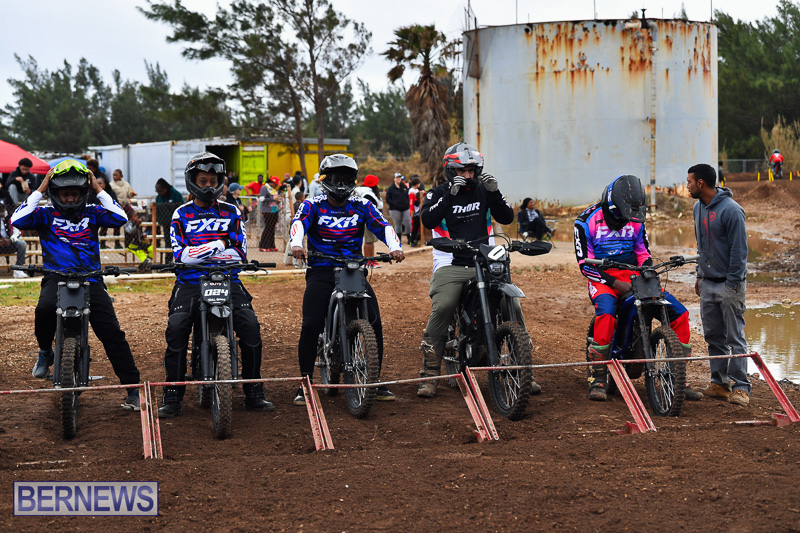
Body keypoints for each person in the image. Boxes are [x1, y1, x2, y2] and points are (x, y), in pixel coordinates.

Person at [10, 160, 141, 410]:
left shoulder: (92, 212)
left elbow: (120, 217)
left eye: (75, 194)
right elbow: (18, 219)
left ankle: (132, 388)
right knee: (43, 310)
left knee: (112, 333)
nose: (70, 199)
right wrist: (42, 188)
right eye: (64, 194)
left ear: (83, 193)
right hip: (56, 276)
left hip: (90, 277)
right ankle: (45, 351)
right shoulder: (44, 214)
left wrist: (97, 187)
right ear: (55, 193)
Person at [157, 152, 274, 418]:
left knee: (251, 329)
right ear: (192, 181)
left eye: (213, 180)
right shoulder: (181, 214)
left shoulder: (232, 211)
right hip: (189, 281)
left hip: (229, 278)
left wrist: (204, 250)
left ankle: (254, 391)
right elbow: (181, 256)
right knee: (176, 331)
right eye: (203, 179)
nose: (209, 185)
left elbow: (240, 253)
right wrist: (221, 244)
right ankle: (172, 395)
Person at [416, 142, 536, 398]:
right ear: (451, 170)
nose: (468, 176)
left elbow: (506, 218)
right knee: (445, 305)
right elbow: (427, 220)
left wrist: (495, 192)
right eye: (463, 171)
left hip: (485, 260)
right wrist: (450, 195)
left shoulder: (484, 191)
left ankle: (524, 369)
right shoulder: (437, 193)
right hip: (451, 261)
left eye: (473, 171)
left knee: (511, 304)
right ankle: (429, 374)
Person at [290, 154, 404, 406]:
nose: (341, 185)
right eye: (336, 179)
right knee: (311, 324)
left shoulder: (362, 204)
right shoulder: (313, 204)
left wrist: (395, 246)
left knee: (374, 322)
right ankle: (305, 383)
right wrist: (297, 244)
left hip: (353, 270)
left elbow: (382, 226)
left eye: (346, 179)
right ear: (326, 180)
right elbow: (299, 223)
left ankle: (373, 379)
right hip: (321, 268)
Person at [574, 175, 698, 401]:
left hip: (634, 275)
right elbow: (584, 265)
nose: (625, 221)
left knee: (680, 313)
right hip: (603, 277)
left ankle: (678, 375)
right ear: (612, 207)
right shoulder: (585, 222)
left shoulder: (636, 218)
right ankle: (598, 377)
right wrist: (613, 283)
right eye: (621, 216)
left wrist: (647, 270)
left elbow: (643, 252)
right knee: (607, 312)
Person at [686, 163, 751, 406]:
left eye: (690, 182)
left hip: (729, 285)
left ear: (701, 183)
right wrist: (699, 276)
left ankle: (742, 388)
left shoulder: (732, 211)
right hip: (708, 284)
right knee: (714, 336)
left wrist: (733, 285)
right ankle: (720, 384)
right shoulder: (697, 208)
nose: (687, 186)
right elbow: (700, 246)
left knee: (735, 337)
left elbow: (739, 252)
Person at [354, 174, 383, 267]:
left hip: (369, 219)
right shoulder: (368, 194)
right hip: (367, 220)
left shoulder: (367, 192)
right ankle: (367, 261)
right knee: (369, 241)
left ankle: (372, 260)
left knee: (371, 241)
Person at [155, 178, 185, 251]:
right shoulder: (159, 197)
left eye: (161, 191)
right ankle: (168, 260)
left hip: (177, 224)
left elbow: (182, 207)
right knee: (168, 243)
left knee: (179, 242)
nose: (160, 193)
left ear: (165, 188)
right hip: (166, 225)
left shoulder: (176, 194)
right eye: (158, 191)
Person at [0, 198, 27, 278]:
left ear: (5, 207)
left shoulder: (10, 217)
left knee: (22, 244)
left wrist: (10, 240)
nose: (1, 209)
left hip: (9, 244)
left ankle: (18, 270)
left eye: (2, 207)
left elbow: (17, 232)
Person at [386, 172, 411, 244]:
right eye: (397, 177)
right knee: (398, 224)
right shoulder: (391, 188)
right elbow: (388, 199)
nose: (398, 179)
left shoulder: (404, 187)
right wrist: (394, 204)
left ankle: (409, 238)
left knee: (407, 223)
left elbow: (407, 195)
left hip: (405, 208)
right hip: (395, 209)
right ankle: (398, 239)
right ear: (394, 179)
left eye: (399, 177)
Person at [258, 178, 280, 252]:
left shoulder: (272, 189)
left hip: (274, 210)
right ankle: (264, 245)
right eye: (275, 184)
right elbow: (262, 199)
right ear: (271, 183)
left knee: (272, 229)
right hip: (267, 211)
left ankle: (271, 245)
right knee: (268, 228)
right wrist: (273, 199)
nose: (276, 186)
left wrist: (277, 200)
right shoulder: (264, 188)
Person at [407, 175, 422, 247]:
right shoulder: (411, 191)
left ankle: (417, 239)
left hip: (418, 211)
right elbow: (411, 202)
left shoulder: (417, 191)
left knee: (418, 226)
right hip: (414, 211)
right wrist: (412, 212)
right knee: (414, 227)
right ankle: (412, 240)